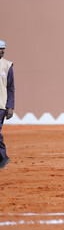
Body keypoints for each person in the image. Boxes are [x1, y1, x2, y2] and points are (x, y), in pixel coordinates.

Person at [0, 39, 15, 169]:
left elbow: (11, 88)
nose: (2, 51)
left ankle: (3, 157)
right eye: (0, 48)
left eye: (3, 49)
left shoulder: (7, 66)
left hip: (1, 106)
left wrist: (10, 107)